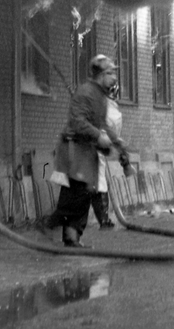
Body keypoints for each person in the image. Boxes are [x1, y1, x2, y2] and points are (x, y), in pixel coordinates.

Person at [45, 55, 119, 247]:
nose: (114, 77)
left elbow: (100, 123)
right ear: (100, 75)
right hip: (74, 150)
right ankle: (51, 224)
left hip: (85, 150)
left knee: (82, 194)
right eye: (110, 73)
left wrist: (116, 140)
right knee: (77, 194)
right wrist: (99, 135)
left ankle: (71, 238)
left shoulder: (99, 95)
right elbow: (78, 122)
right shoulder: (86, 93)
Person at [90, 79, 128, 229]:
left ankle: (103, 219)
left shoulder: (102, 106)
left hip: (94, 147)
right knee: (98, 182)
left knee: (95, 182)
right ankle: (103, 220)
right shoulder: (110, 110)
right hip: (93, 148)